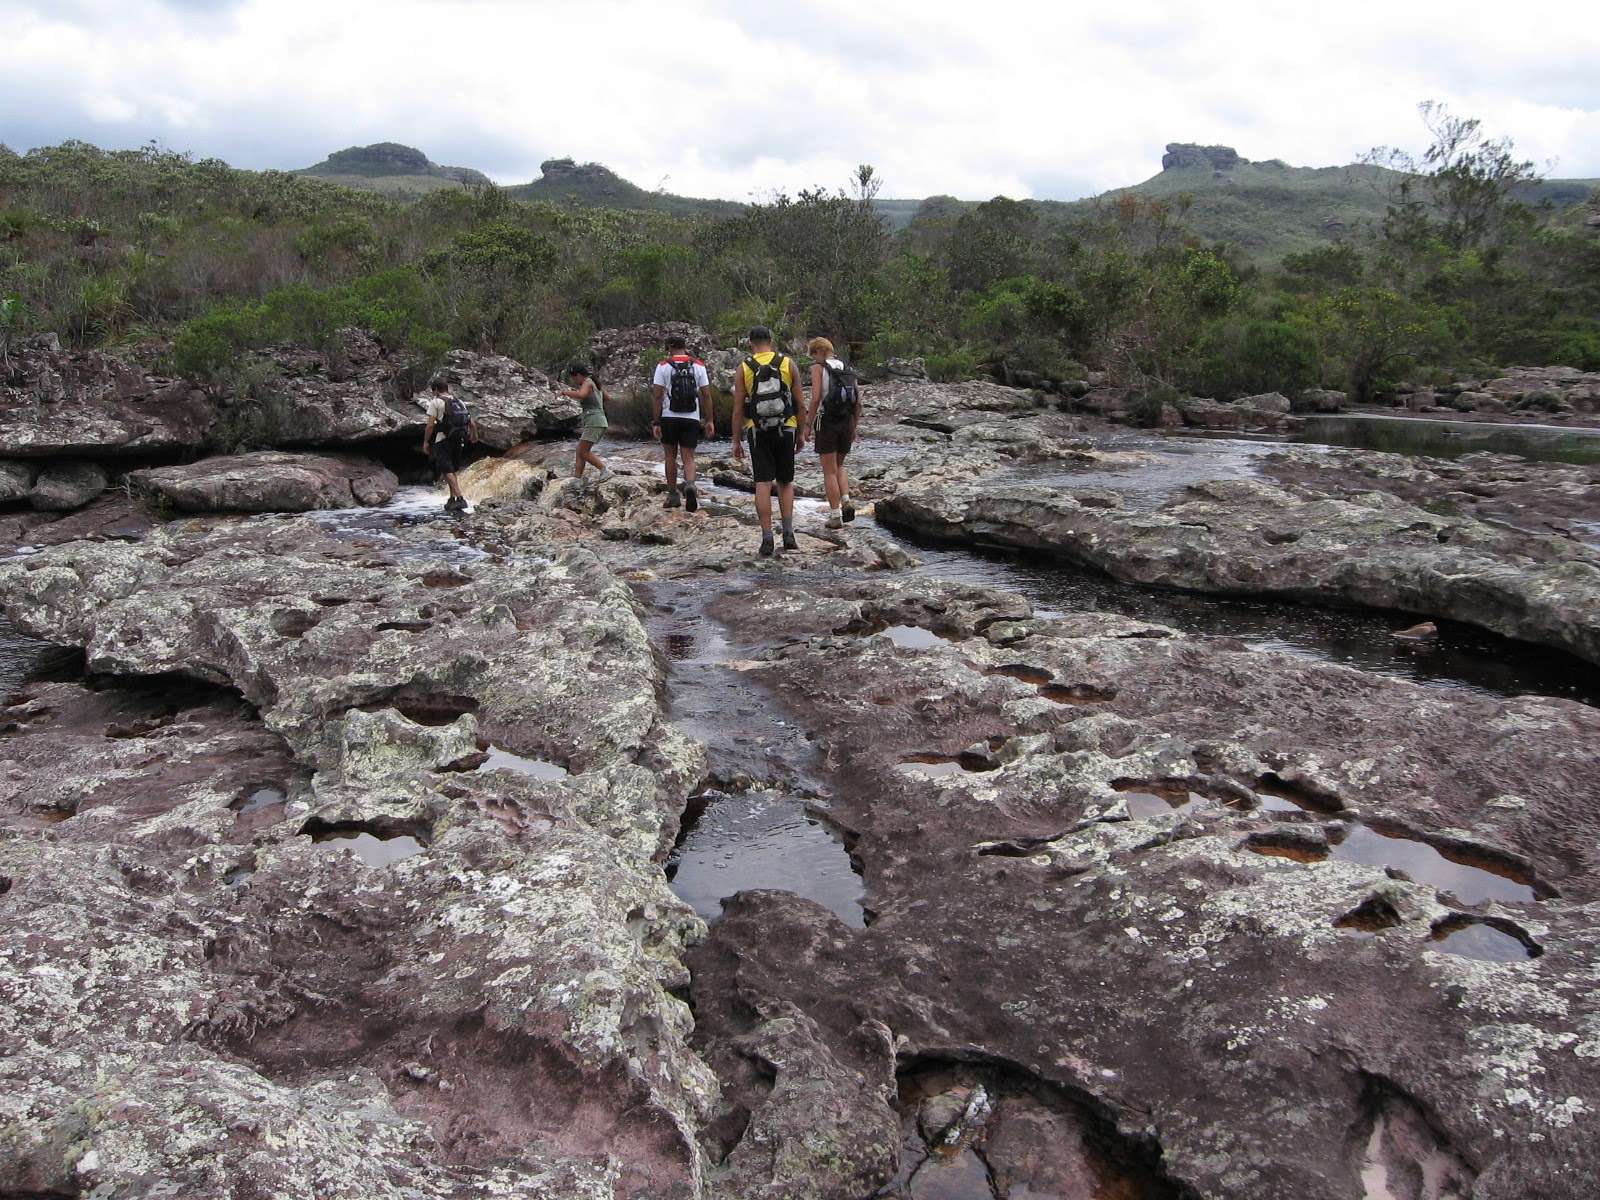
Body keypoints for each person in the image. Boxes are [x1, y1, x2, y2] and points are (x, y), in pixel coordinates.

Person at [731, 325, 807, 556]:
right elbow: (800, 404)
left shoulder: (744, 368)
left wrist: (736, 441)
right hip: (787, 427)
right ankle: (788, 533)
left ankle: (766, 538)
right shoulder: (787, 363)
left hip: (758, 430)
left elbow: (738, 409)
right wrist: (801, 433)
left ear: (751, 343)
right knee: (785, 482)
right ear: (771, 342)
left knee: (763, 483)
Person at [802, 337, 861, 529]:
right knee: (840, 464)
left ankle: (835, 516)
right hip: (847, 421)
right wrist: (854, 426)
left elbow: (815, 398)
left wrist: (807, 424)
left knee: (829, 471)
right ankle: (846, 500)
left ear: (819, 352)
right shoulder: (847, 367)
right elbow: (858, 402)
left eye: (813, 355)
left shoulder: (819, 368)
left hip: (827, 421)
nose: (814, 359)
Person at [650, 335, 714, 511]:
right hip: (691, 417)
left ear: (670, 348)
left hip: (669, 417)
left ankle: (673, 495)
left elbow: (657, 397)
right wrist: (709, 420)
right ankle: (690, 484)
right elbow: (706, 395)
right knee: (689, 457)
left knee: (670, 456)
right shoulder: (698, 365)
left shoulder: (663, 366)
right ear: (685, 346)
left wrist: (656, 422)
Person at [421, 375, 478, 512]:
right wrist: (474, 435)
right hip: (459, 439)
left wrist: (426, 441)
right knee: (453, 469)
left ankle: (460, 498)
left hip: (443, 439)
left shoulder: (436, 402)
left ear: (436, 389)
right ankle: (452, 499)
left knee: (446, 469)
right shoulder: (459, 402)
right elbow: (471, 422)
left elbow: (430, 425)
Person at [557, 363, 612, 482]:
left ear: (579, 375)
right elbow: (608, 397)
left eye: (574, 378)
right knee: (580, 450)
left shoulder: (587, 383)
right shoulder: (595, 383)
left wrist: (564, 392)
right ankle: (577, 479)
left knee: (584, 451)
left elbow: (580, 394)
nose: (574, 381)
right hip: (598, 421)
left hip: (594, 421)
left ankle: (605, 471)